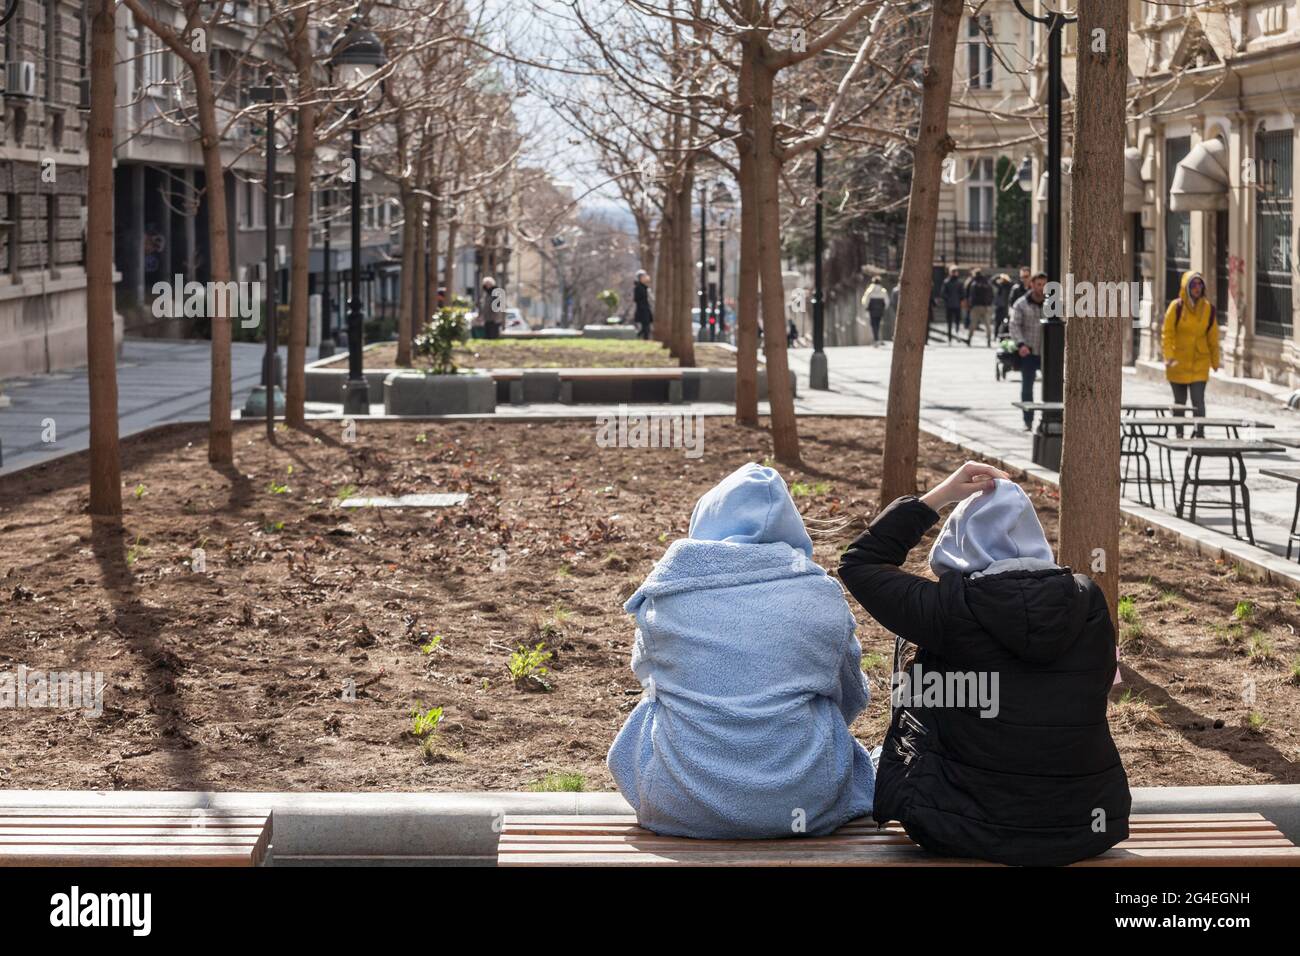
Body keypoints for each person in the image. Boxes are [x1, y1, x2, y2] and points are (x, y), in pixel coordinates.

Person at [838, 462, 1130, 867]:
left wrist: (937, 497)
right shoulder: (1088, 603)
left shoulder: (949, 609)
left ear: (956, 545)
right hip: (1082, 827)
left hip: (957, 828)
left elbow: (860, 563)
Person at [608, 463, 876, 839]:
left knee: (655, 702)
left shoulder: (667, 598)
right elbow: (851, 695)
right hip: (804, 803)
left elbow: (648, 676)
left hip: (678, 803)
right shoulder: (820, 595)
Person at [1162, 271, 1220, 439]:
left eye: (1200, 284)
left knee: (1198, 401)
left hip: (1199, 363)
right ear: (1186, 287)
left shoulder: (1208, 309)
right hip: (1178, 363)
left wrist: (1215, 362)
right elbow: (1167, 333)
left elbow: (1213, 338)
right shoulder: (1176, 307)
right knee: (1180, 403)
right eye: (1193, 285)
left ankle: (1199, 433)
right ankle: (1179, 433)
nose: (1197, 288)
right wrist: (1168, 355)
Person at [1009, 272, 1047, 431]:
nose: (1042, 288)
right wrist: (1021, 344)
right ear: (1032, 284)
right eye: (1039, 284)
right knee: (1027, 388)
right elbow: (1014, 325)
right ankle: (1028, 420)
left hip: (1048, 353)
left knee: (1053, 388)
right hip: (1029, 351)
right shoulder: (1021, 304)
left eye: (1045, 284)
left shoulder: (1052, 304)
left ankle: (1048, 419)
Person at [963, 268, 996, 347]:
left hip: (976, 307)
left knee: (973, 324)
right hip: (987, 307)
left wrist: (970, 305)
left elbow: (970, 295)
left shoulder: (973, 283)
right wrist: (989, 304)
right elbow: (992, 294)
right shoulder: (987, 282)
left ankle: (969, 339)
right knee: (988, 325)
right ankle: (988, 340)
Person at [861, 275, 889, 346]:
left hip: (872, 310)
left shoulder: (870, 291)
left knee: (874, 325)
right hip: (880, 310)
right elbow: (887, 301)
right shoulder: (883, 291)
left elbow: (865, 301)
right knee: (879, 324)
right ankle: (879, 339)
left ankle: (876, 339)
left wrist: (866, 308)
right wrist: (884, 308)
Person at [940, 266, 964, 343]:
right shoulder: (947, 282)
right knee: (951, 322)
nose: (954, 273)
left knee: (955, 322)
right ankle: (950, 336)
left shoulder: (958, 282)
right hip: (952, 305)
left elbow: (962, 294)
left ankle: (954, 335)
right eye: (953, 271)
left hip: (954, 305)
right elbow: (943, 294)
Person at [633, 270, 654, 340]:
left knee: (646, 327)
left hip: (646, 308)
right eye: (644, 276)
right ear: (641, 278)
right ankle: (640, 338)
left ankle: (641, 338)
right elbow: (636, 299)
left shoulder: (645, 287)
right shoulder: (638, 287)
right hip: (642, 309)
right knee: (645, 327)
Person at [992, 272, 1013, 338]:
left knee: (1005, 323)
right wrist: (999, 275)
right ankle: (996, 335)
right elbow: (992, 281)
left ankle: (1003, 335)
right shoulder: (1000, 285)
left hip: (1005, 307)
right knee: (997, 322)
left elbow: (1011, 283)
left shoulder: (1009, 286)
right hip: (999, 307)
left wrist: (1006, 278)